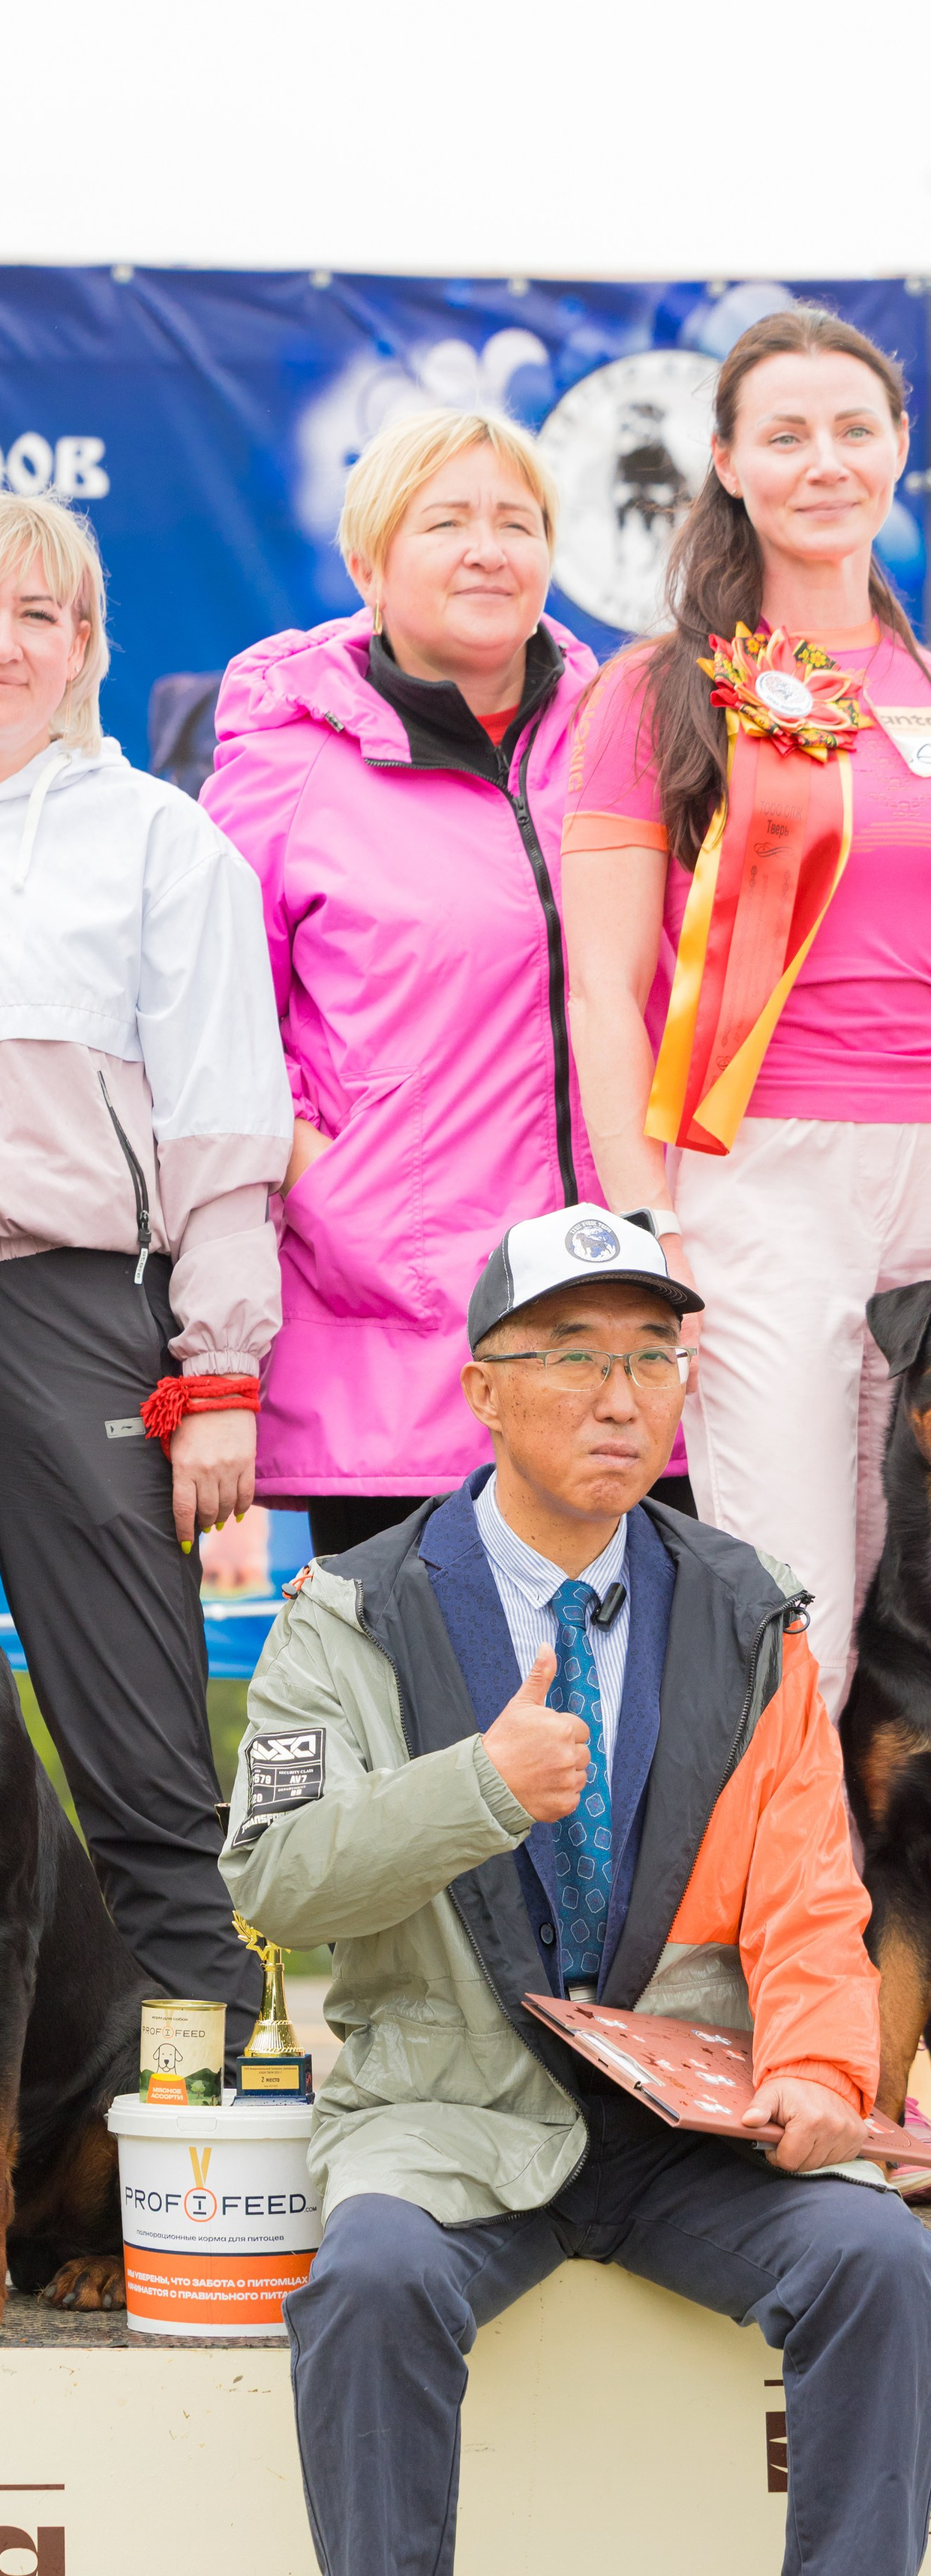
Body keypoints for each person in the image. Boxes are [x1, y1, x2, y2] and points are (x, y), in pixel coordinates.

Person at [224, 1200, 931, 2576]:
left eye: (651, 1357)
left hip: (687, 2132)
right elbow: (267, 1879)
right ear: (479, 1388)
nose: (620, 1396)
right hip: (446, 2112)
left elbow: (809, 1892)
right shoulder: (350, 1607)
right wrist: (475, 1784)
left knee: (875, 2257)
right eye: (572, 1357)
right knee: (374, 2270)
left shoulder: (746, 1606)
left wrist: (821, 2075)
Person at [0, 483, 289, 2045]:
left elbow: (226, 1121)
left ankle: (201, 2164)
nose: (5, 641)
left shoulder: (159, 842)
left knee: (139, 1751)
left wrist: (217, 1369)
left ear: (86, 645)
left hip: (80, 1312)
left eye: (44, 614)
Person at [203, 406, 692, 1559]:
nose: (490, 547)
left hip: (629, 1324)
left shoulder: (631, 737)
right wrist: (351, 1188)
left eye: (517, 521)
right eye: (448, 521)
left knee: (644, 1719)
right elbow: (214, 1039)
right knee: (424, 1725)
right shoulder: (283, 765)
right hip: (407, 1344)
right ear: (368, 563)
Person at [564, 306, 931, 1718]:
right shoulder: (657, 693)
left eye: (855, 429)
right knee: (795, 1616)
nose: (823, 462)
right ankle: (769, 1941)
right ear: (726, 461)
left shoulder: (921, 688)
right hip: (755, 1184)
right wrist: (645, 1219)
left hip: (923, 1189)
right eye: (785, 435)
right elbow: (604, 986)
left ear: (899, 449)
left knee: (916, 1631)